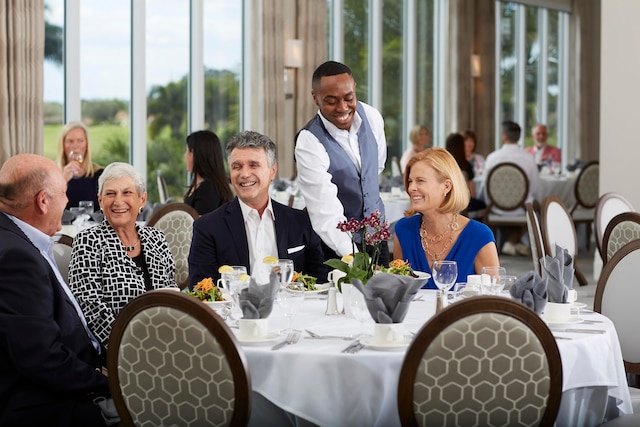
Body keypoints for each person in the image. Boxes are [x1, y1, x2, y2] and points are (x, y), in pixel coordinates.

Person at [0, 154, 111, 426]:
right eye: (64, 193)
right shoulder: (16, 257)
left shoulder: (19, 237)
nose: (67, 201)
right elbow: (41, 358)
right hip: (47, 401)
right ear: (43, 201)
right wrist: (109, 384)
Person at [188, 130, 327, 286]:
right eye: (237, 167)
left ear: (272, 171)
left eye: (253, 165)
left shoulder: (301, 222)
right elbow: (200, 288)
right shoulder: (207, 227)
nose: (245, 174)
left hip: (291, 308)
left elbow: (319, 281)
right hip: (235, 309)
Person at [69, 162, 178, 348]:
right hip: (121, 350)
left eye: (127, 193)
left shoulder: (156, 238)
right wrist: (134, 347)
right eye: (110, 193)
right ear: (100, 201)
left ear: (142, 200)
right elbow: (91, 310)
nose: (118, 201)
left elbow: (172, 292)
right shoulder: (88, 242)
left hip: (167, 339)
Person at [295, 60, 389, 266]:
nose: (343, 107)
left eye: (349, 98)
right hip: (336, 247)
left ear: (354, 89)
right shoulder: (309, 141)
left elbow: (376, 168)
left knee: (384, 296)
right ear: (315, 98)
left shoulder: (372, 117)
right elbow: (325, 213)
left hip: (377, 237)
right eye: (331, 101)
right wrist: (355, 258)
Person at [393, 147, 499, 289]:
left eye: (420, 181)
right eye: (410, 181)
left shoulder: (479, 236)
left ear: (446, 186)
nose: (411, 188)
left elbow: (491, 297)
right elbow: (398, 291)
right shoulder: (403, 230)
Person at [483, 120, 538, 256]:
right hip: (521, 208)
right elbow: (534, 188)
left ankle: (512, 242)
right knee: (536, 206)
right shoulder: (528, 158)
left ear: (504, 136)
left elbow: (485, 188)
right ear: (519, 137)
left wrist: (495, 202)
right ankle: (517, 242)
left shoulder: (492, 158)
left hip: (495, 207)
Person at [184, 130, 234, 215]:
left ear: (199, 155)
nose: (185, 155)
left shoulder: (208, 189)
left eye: (188, 151)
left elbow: (201, 226)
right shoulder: (202, 185)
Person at [57, 121, 103, 209]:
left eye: (80, 141)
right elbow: (49, 207)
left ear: (87, 144)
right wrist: (63, 180)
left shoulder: (99, 174)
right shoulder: (52, 174)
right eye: (70, 141)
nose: (75, 146)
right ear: (63, 145)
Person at [445, 132, 485, 213]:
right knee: (483, 205)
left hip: (445, 201)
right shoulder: (466, 165)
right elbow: (472, 193)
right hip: (463, 204)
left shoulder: (443, 164)